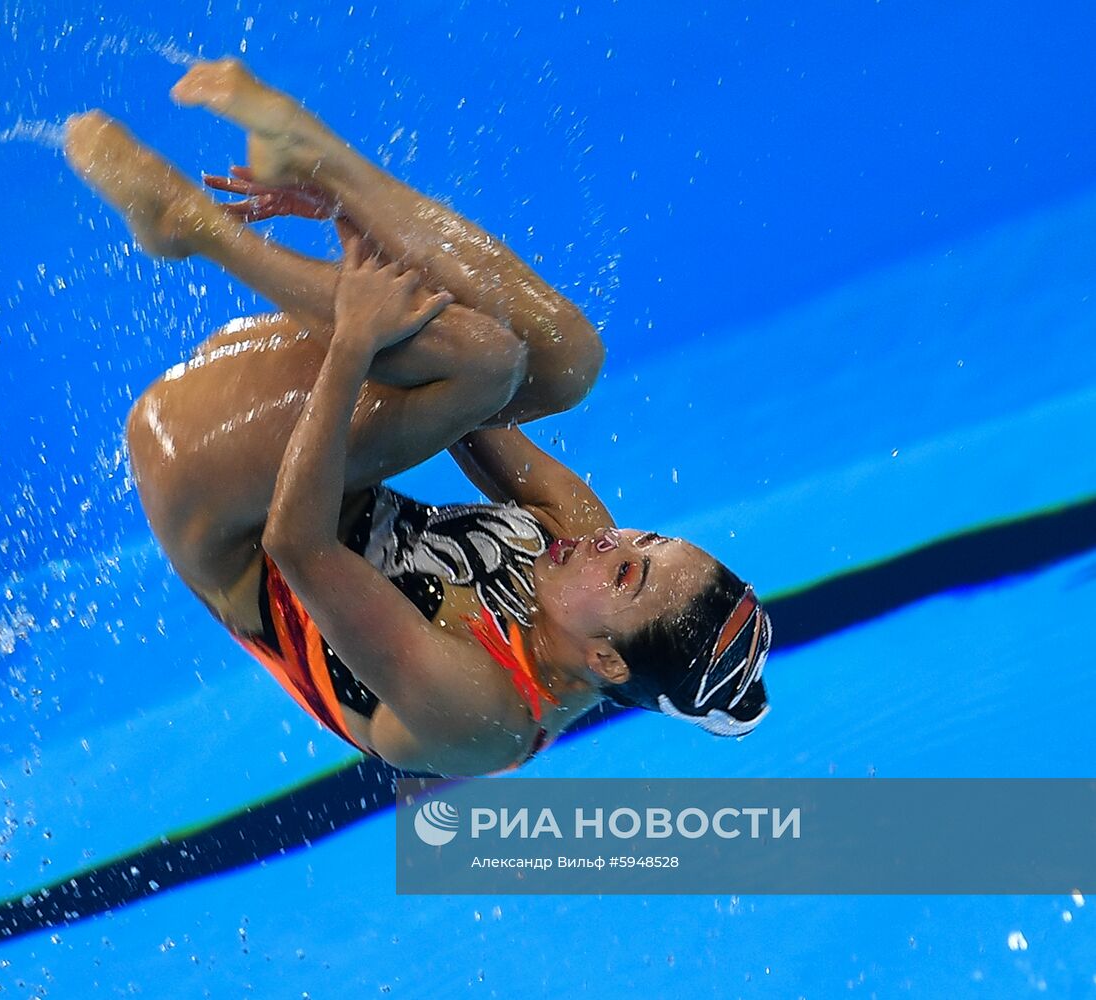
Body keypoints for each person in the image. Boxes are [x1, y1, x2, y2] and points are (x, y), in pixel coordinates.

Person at [64, 58, 771, 777]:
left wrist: (351, 344)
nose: (610, 542)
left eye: (628, 574)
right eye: (648, 539)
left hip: (214, 498)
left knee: (485, 361)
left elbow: (296, 545)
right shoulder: (579, 552)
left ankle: (190, 224)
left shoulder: (480, 716)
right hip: (289, 439)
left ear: (604, 660)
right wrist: (358, 236)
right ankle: (325, 171)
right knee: (565, 360)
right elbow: (470, 406)